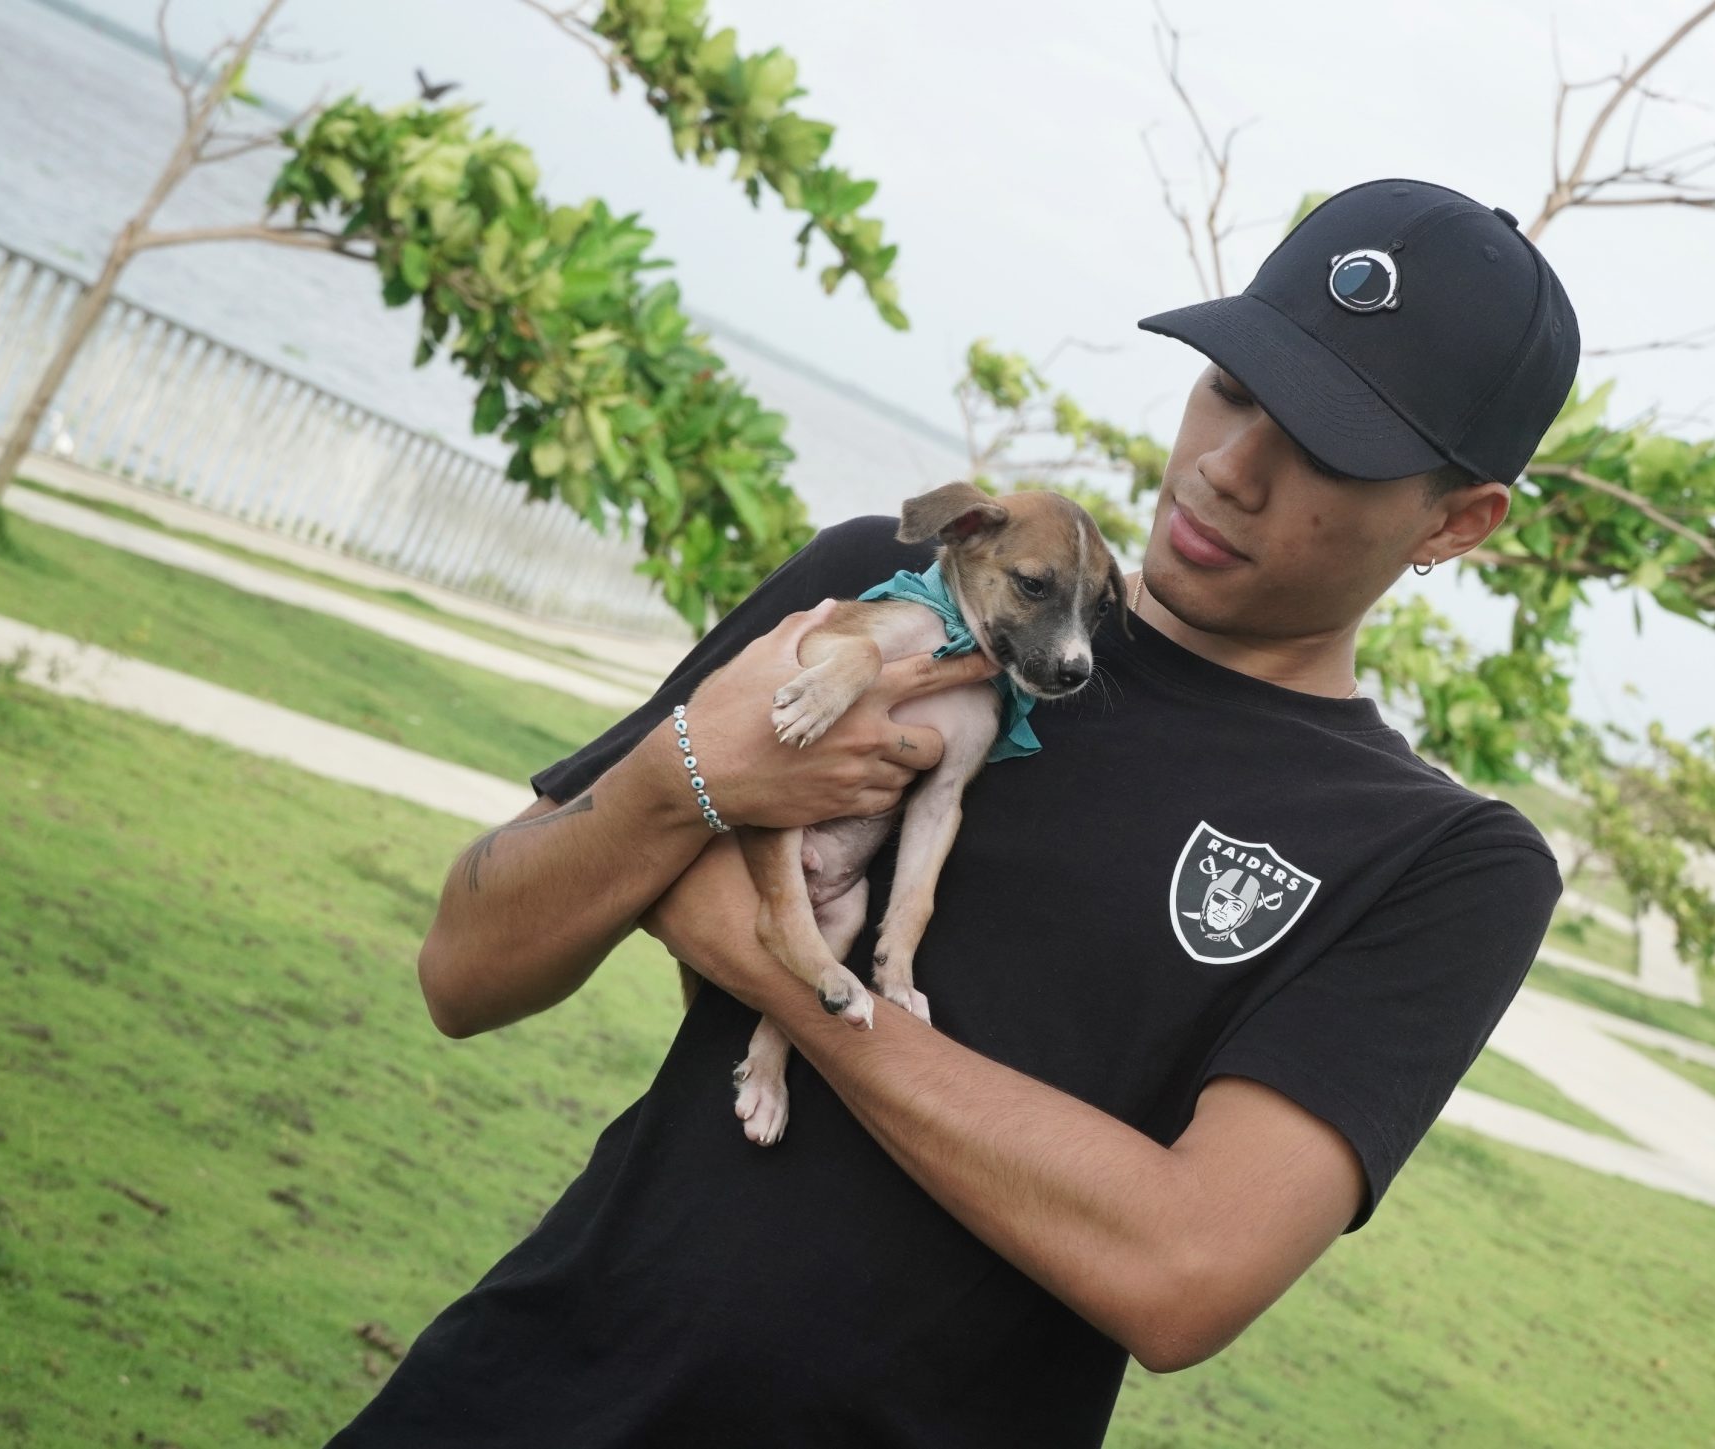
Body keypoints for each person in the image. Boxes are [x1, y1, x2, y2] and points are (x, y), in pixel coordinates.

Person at [330, 178, 1580, 1447]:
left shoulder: (1440, 861)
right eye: (1231, 388)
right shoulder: (887, 595)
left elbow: (1181, 1273)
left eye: (1324, 446)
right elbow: (465, 968)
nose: (1226, 467)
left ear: (1458, 520)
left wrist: (777, 964)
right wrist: (679, 779)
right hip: (517, 1396)